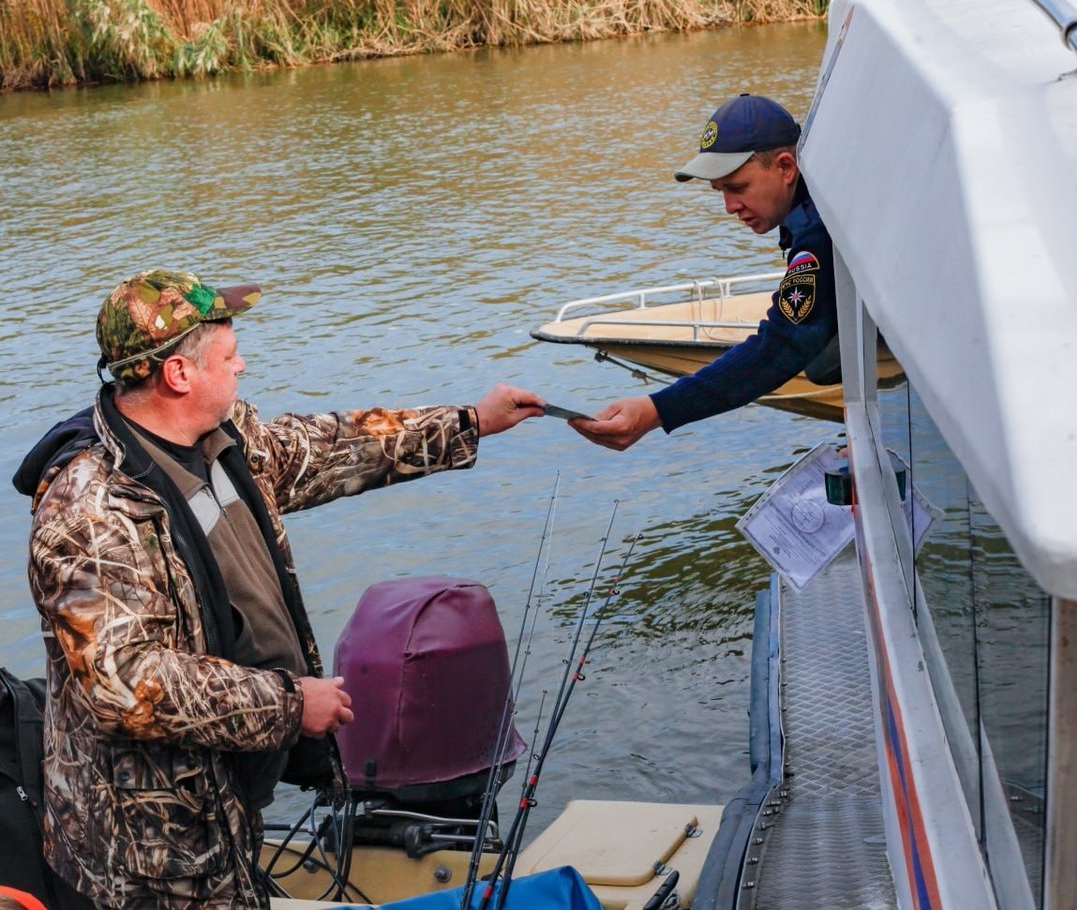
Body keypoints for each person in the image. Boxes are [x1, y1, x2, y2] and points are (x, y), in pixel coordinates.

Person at [16, 270, 545, 909]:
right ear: (179, 375)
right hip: (146, 855)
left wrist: (470, 424)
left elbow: (332, 447)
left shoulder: (224, 440)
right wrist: (290, 705)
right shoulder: (90, 509)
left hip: (226, 802)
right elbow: (127, 684)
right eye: (229, 354)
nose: (244, 364)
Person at [571, 93, 838, 451]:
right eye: (720, 192)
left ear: (786, 168)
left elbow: (782, 345)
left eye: (738, 188)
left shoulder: (818, 231)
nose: (729, 207)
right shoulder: (825, 196)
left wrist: (658, 410)